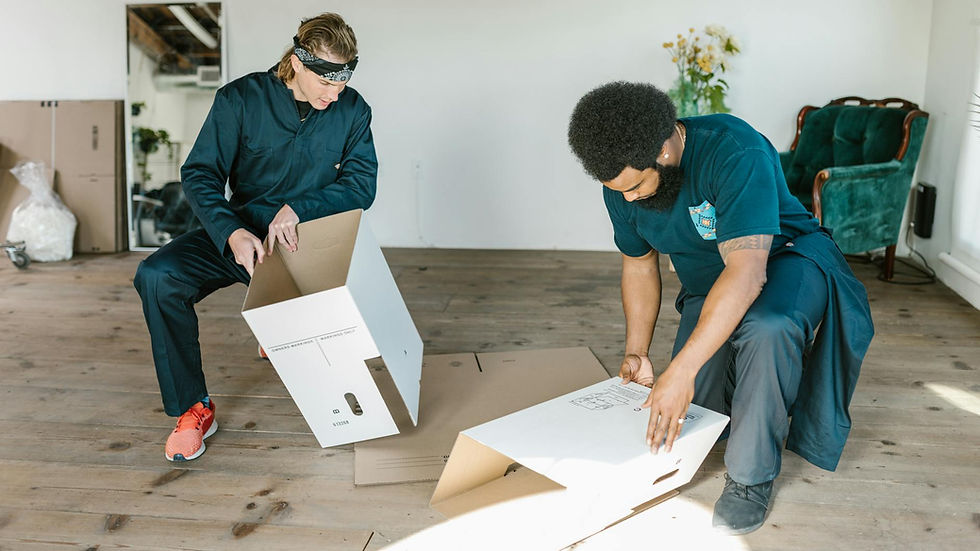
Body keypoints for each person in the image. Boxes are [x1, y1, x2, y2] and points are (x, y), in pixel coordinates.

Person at [567, 82, 874, 534]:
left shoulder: (734, 151)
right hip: (709, 278)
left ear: (666, 147)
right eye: (617, 191)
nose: (627, 198)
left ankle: (752, 478)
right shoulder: (620, 181)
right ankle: (765, 388)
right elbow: (638, 265)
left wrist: (682, 369)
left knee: (767, 328)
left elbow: (748, 273)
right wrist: (638, 353)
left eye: (634, 186)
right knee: (704, 410)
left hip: (786, 256)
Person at [134, 13, 377, 462]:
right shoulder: (239, 99)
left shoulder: (354, 109)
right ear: (298, 63)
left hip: (304, 241)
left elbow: (362, 186)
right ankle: (193, 407)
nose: (335, 93)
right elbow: (200, 172)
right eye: (326, 81)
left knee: (333, 332)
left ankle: (279, 319)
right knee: (157, 275)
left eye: (343, 81)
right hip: (242, 233)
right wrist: (230, 232)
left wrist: (300, 208)